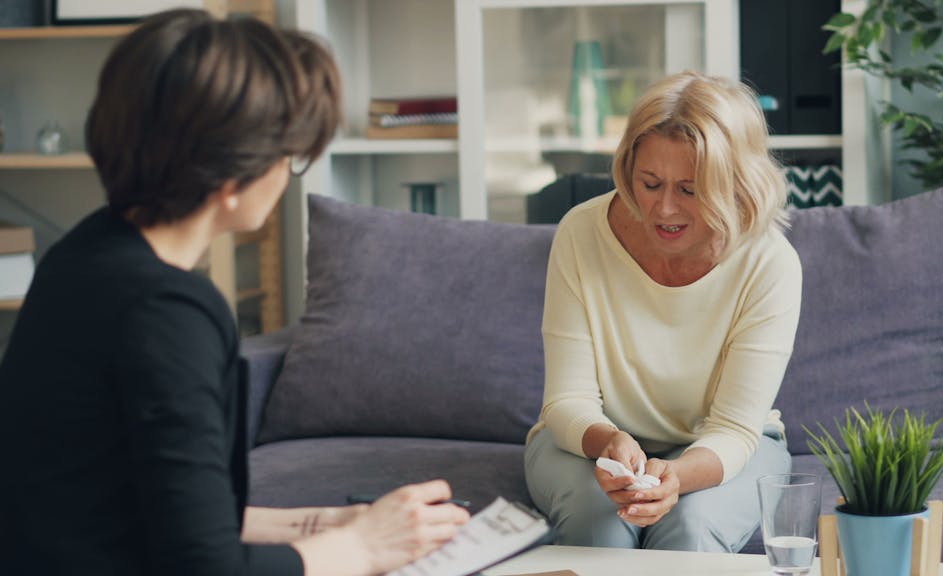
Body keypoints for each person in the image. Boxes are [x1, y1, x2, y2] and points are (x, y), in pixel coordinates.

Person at [0, 9, 468, 576]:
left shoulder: (84, 253)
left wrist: (338, 525)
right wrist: (365, 550)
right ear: (230, 178)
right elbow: (206, 565)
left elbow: (168, 514)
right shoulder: (167, 313)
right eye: (288, 155)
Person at [524, 71, 802, 552]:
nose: (664, 210)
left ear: (735, 184)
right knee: (600, 523)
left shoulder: (769, 262)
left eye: (690, 191)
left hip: (726, 447)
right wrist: (608, 440)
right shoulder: (581, 233)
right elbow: (565, 400)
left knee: (689, 530)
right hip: (591, 443)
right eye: (650, 183)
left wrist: (676, 476)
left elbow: (734, 430)